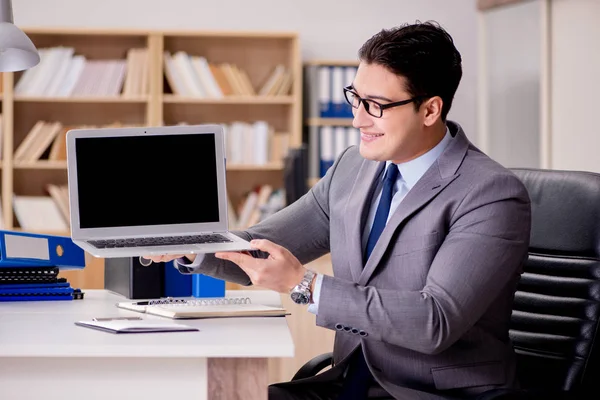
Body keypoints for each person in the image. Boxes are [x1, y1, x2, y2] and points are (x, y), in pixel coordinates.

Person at [146, 21, 531, 400]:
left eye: (376, 106)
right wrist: (189, 244)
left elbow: (434, 321)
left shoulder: (490, 194)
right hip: (348, 380)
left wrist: (305, 285)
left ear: (430, 110)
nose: (357, 118)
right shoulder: (353, 166)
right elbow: (263, 246)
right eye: (356, 97)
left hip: (430, 392)